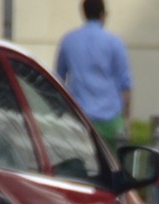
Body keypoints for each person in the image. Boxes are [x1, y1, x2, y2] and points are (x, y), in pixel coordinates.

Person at [55, 0, 132, 152]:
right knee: (113, 168)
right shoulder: (115, 42)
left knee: (81, 168)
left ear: (83, 14)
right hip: (110, 119)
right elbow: (125, 85)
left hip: (79, 117)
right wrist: (126, 119)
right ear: (103, 15)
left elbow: (59, 79)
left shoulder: (68, 40)